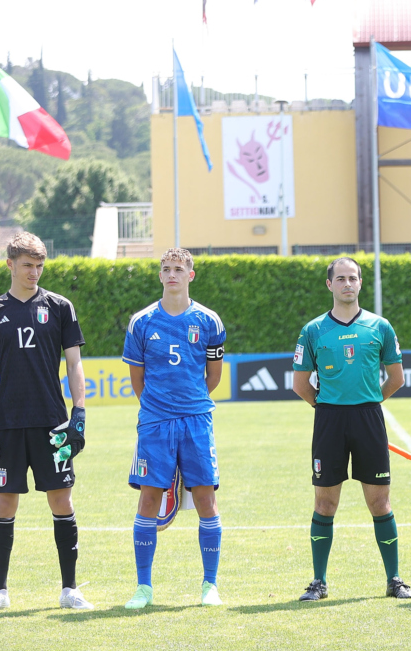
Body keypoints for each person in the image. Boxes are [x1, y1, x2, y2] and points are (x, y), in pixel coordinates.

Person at [0, 232, 91, 612]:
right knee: (5, 504)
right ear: (10, 264)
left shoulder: (60, 307)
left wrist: (80, 414)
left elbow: (74, 364)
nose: (34, 273)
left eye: (39, 266)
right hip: (7, 424)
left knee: (62, 500)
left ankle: (70, 589)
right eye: (27, 265)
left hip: (53, 423)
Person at [292, 257, 411, 601]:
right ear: (329, 285)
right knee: (325, 502)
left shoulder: (380, 326)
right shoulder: (313, 330)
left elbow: (396, 378)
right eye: (340, 278)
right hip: (329, 419)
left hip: (369, 418)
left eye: (353, 278)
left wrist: (369, 403)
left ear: (360, 283)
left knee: (380, 501)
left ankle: (395, 580)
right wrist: (326, 406)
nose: (347, 284)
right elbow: (300, 384)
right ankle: (318, 582)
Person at [122, 248, 227, 608]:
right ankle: (143, 588)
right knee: (149, 497)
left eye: (178, 269)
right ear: (160, 275)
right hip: (154, 423)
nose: (172, 274)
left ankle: (209, 585)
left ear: (190, 275)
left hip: (197, 421)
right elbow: (138, 379)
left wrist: (188, 402)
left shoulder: (210, 322)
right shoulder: (142, 322)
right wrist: (158, 407)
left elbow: (213, 377)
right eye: (166, 269)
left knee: (205, 499)